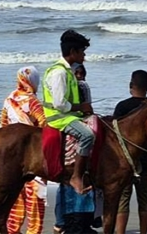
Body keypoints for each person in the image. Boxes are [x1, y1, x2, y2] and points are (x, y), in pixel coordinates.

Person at [42, 29, 94, 196]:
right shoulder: (59, 73)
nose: (84, 57)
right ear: (73, 52)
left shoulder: (68, 71)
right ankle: (76, 176)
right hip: (59, 118)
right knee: (88, 136)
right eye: (82, 52)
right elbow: (59, 104)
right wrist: (81, 108)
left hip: (69, 115)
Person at [0, 66, 47, 234]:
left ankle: (13, 231)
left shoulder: (9, 99)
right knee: (35, 198)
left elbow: (4, 126)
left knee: (15, 198)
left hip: (12, 154)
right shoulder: (32, 101)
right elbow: (43, 125)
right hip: (32, 154)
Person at [54, 63, 99, 234]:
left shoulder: (71, 88)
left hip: (67, 128)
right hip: (76, 131)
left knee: (66, 183)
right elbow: (88, 109)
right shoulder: (83, 86)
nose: (80, 76)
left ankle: (62, 222)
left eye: (82, 73)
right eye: (77, 73)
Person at [113, 69, 147, 234]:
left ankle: (120, 232)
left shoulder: (122, 107)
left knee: (123, 199)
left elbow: (114, 136)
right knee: (144, 199)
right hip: (145, 159)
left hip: (125, 162)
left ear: (131, 85)